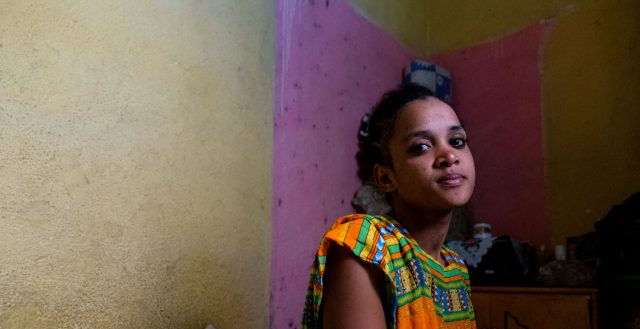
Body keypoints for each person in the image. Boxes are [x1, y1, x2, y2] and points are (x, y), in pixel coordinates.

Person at [302, 83, 477, 329]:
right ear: (386, 177)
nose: (449, 156)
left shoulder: (456, 269)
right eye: (421, 147)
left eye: (457, 141)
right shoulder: (364, 246)